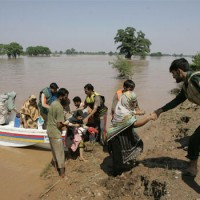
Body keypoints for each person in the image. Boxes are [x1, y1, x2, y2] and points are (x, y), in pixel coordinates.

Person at [153, 58, 200, 177]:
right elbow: (177, 100)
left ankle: (193, 168)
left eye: (173, 73)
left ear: (179, 71)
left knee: (195, 139)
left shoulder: (195, 78)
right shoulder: (186, 85)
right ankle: (193, 167)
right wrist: (160, 110)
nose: (173, 77)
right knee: (195, 140)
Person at [106, 90, 156, 176]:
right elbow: (135, 124)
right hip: (114, 135)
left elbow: (128, 111)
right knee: (117, 156)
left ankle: (122, 166)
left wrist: (137, 112)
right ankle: (117, 174)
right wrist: (148, 118)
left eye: (134, 101)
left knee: (123, 151)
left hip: (120, 133)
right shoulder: (124, 113)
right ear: (127, 101)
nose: (134, 104)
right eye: (132, 102)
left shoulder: (121, 104)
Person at [47, 88, 69, 178]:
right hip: (56, 132)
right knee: (60, 153)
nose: (67, 99)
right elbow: (60, 125)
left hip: (49, 130)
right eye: (66, 97)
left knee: (54, 152)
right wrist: (67, 125)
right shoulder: (59, 107)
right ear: (61, 97)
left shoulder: (53, 103)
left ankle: (56, 168)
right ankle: (62, 174)